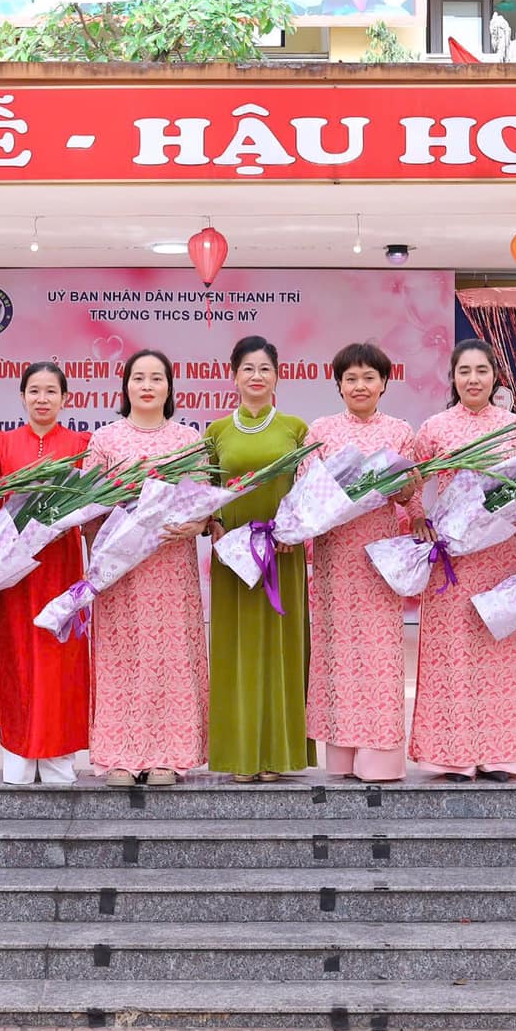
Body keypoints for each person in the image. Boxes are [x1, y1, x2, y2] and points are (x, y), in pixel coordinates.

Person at [406, 339, 516, 781]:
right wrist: (418, 518)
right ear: (453, 378)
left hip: (502, 554)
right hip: (454, 561)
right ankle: (453, 755)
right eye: (464, 371)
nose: (473, 379)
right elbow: (409, 482)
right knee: (454, 653)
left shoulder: (515, 427)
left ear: (495, 377)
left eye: (482, 371)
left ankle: (500, 754)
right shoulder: (435, 428)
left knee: (501, 650)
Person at [83, 351, 209, 787]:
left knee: (169, 656)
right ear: (126, 387)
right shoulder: (105, 440)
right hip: (121, 568)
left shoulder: (188, 440)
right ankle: (118, 755)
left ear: (170, 387)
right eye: (139, 378)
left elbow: (203, 501)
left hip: (170, 564)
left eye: (157, 378)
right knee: (122, 656)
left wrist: (198, 524)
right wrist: (100, 559)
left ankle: (168, 756)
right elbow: (88, 507)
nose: (148, 385)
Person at [0, 362, 91, 785]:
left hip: (61, 564)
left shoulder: (81, 445)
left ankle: (57, 756)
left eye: (51, 391)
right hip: (15, 568)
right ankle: (19, 754)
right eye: (34, 391)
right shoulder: (0, 445)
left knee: (60, 654)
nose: (42, 399)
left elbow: (92, 509)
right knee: (17, 653)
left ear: (65, 399)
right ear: (22, 396)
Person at [303, 342, 420, 782]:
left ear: (384, 383)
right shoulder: (321, 430)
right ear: (338, 385)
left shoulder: (400, 432)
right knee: (338, 654)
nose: (360, 385)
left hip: (379, 556)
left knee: (380, 654)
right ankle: (341, 757)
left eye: (369, 377)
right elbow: (307, 488)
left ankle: (379, 759)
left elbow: (410, 495)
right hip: (335, 558)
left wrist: (406, 490)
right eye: (350, 378)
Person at [203, 335, 314, 783]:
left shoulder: (297, 429)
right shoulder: (215, 432)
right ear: (233, 376)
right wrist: (214, 524)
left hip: (282, 553)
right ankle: (240, 754)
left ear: (277, 376)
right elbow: (207, 492)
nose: (256, 376)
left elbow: (310, 489)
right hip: (234, 557)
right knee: (236, 648)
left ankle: (277, 755)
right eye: (247, 368)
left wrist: (294, 528)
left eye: (264, 368)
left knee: (281, 649)